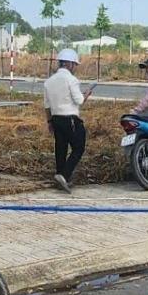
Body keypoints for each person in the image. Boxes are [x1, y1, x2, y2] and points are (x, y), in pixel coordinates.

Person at [43, 49, 89, 192]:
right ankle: (64, 175)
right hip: (70, 119)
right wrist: (86, 95)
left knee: (61, 148)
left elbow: (47, 106)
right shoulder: (71, 80)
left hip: (56, 119)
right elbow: (79, 101)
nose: (75, 68)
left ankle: (60, 175)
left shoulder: (49, 82)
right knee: (78, 147)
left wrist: (49, 122)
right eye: (75, 65)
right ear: (69, 64)